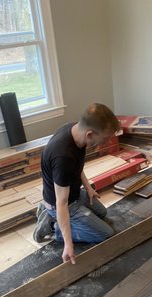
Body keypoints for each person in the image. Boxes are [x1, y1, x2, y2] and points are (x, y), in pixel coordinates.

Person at [33, 103, 120, 264]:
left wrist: (88, 188)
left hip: (74, 192)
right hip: (63, 204)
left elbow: (77, 166)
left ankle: (56, 218)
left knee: (102, 213)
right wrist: (68, 244)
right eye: (105, 138)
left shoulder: (75, 132)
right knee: (105, 233)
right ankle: (53, 227)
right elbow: (62, 203)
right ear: (90, 134)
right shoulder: (63, 157)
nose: (106, 142)